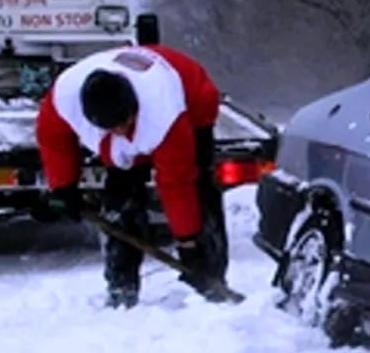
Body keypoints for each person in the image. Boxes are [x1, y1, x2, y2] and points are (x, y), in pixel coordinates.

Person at [34, 44, 239, 308]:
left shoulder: (166, 115)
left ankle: (211, 281)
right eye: (111, 128)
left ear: (133, 109)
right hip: (140, 100)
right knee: (120, 197)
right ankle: (121, 286)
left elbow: (176, 182)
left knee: (198, 186)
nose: (119, 132)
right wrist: (63, 186)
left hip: (192, 100)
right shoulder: (64, 97)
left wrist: (188, 243)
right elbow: (53, 140)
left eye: (123, 124)